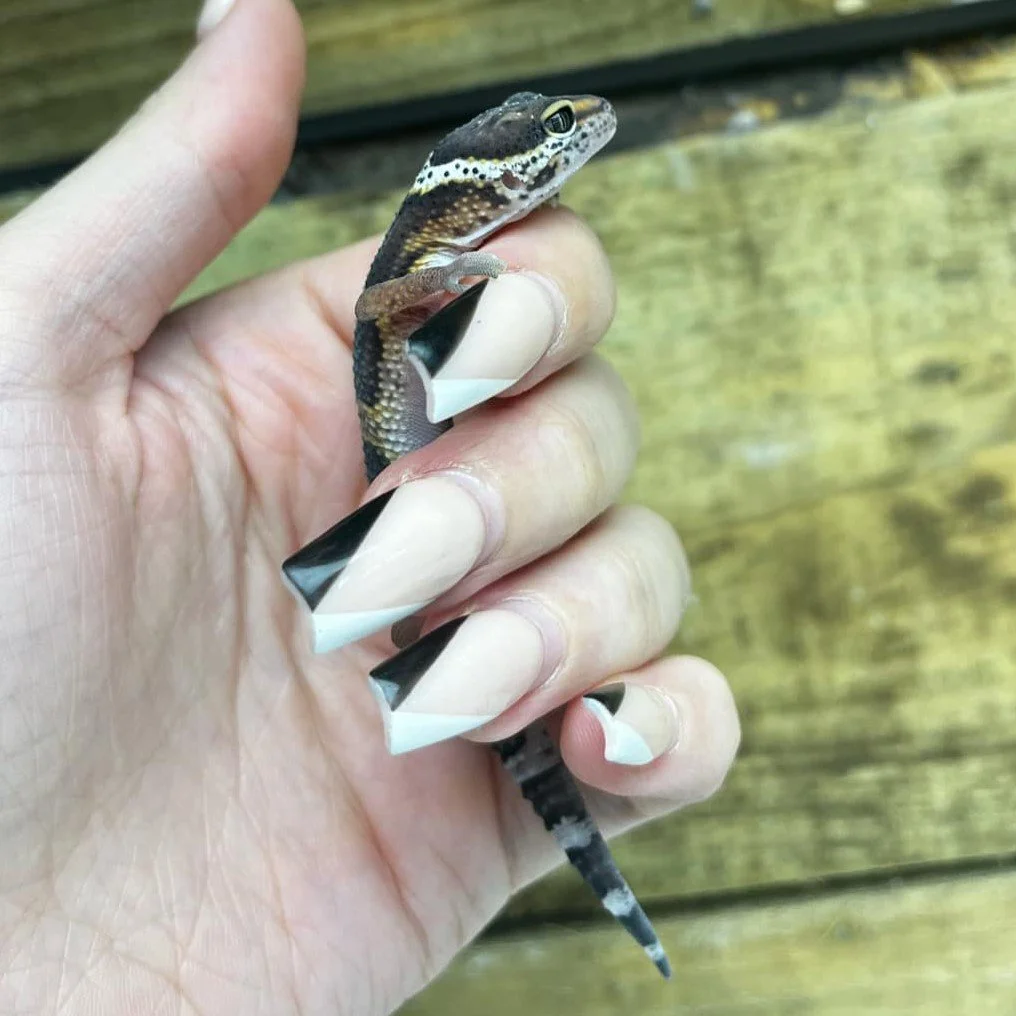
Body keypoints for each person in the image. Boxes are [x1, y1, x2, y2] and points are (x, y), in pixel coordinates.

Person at [0, 0, 740, 1010]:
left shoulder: (446, 240)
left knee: (468, 557)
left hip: (403, 579)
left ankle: (503, 717)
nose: (584, 127)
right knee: (462, 556)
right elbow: (379, 310)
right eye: (561, 131)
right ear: (496, 175)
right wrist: (469, 275)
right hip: (402, 465)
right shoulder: (412, 263)